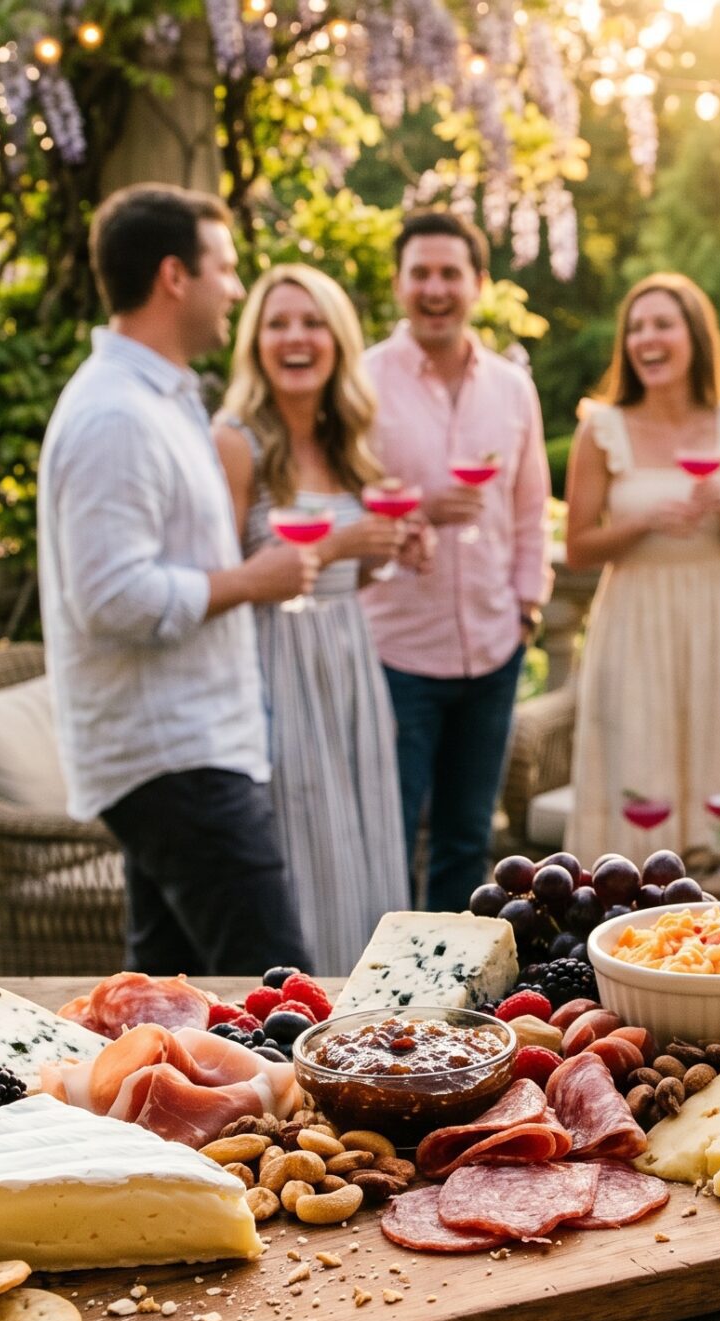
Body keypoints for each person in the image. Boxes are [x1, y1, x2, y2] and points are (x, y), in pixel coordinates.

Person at [37, 183, 317, 976]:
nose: (235, 288)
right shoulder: (115, 416)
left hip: (189, 748)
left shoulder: (159, 400)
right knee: (284, 993)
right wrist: (251, 580)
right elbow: (111, 597)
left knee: (164, 1001)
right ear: (173, 276)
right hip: (174, 759)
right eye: (224, 268)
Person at [213, 263, 419, 970]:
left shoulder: (347, 443)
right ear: (256, 342)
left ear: (336, 340)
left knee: (365, 846)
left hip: (350, 664)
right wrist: (343, 541)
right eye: (278, 323)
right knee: (307, 851)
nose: (295, 338)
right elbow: (229, 578)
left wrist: (386, 548)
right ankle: (303, 1014)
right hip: (276, 667)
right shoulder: (234, 442)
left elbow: (348, 570)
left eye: (311, 323)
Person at [361, 210, 553, 910]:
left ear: (477, 284)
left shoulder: (511, 387)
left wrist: (528, 608)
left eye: (450, 274)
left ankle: (448, 997)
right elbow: (344, 506)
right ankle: (377, 998)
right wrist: (420, 509)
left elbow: (531, 508)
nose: (435, 289)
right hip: (396, 654)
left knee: (468, 839)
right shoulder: (360, 384)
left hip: (494, 650)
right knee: (388, 833)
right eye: (421, 274)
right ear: (399, 283)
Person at [562, 273, 720, 858]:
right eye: (635, 327)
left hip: (713, 619)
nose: (645, 338)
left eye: (662, 325)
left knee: (718, 768)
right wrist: (645, 522)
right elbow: (578, 549)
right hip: (633, 620)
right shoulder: (601, 429)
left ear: (695, 337)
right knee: (637, 764)